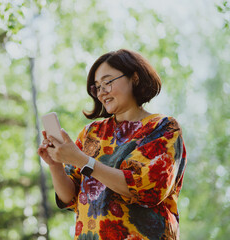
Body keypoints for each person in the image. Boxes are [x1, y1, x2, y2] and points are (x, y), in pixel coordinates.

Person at [37, 49, 187, 240]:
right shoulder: (90, 133)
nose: (101, 92)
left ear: (134, 78)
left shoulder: (163, 128)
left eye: (107, 82)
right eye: (97, 87)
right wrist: (55, 165)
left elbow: (144, 188)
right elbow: (70, 198)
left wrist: (82, 160)